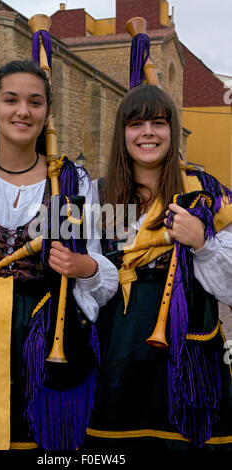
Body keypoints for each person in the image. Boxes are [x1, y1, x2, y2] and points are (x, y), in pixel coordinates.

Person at [0, 59, 119, 451]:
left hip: (49, 341)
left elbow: (97, 269)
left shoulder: (71, 182)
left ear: (47, 112)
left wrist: (84, 268)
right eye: (11, 100)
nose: (22, 111)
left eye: (35, 102)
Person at [84, 84, 232, 451]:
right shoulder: (96, 194)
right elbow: (86, 287)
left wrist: (201, 241)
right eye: (136, 123)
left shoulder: (206, 191)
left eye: (158, 122)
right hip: (117, 350)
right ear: (122, 133)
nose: (147, 132)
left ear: (172, 129)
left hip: (189, 355)